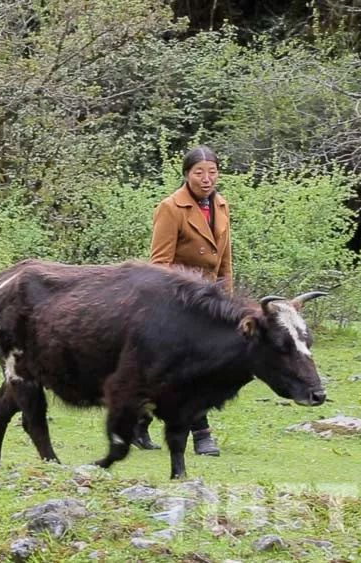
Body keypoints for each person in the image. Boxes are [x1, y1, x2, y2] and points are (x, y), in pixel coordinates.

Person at [134, 145, 233, 455]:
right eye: (199, 173)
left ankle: (140, 421)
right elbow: (159, 263)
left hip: (211, 301)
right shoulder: (171, 207)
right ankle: (202, 434)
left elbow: (225, 259)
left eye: (212, 172)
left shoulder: (221, 204)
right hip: (180, 300)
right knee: (192, 367)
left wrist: (227, 301)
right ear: (187, 175)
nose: (206, 179)